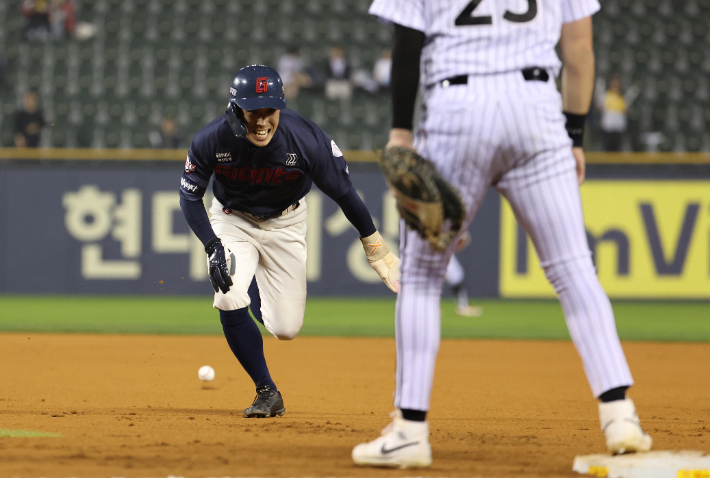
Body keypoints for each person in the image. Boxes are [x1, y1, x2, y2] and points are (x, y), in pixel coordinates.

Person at [353, 0, 652, 468]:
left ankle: (410, 430)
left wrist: (400, 132)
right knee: (574, 269)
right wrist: (573, 135)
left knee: (423, 277)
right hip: (537, 108)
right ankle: (621, 416)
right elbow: (579, 50)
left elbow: (406, 42)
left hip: (457, 108)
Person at [179, 65, 399, 418]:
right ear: (237, 109)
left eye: (270, 111)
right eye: (254, 111)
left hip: (286, 223)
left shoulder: (306, 139)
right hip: (232, 220)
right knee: (229, 294)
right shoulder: (212, 139)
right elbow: (190, 198)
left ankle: (248, 291)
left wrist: (374, 244)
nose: (263, 121)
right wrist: (211, 243)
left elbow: (345, 194)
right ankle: (267, 390)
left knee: (285, 328)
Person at [445, 232, 482, 317]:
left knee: (456, 275)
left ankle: (463, 305)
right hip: (438, 251)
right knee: (455, 275)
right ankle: (463, 306)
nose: (462, 246)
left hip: (443, 251)